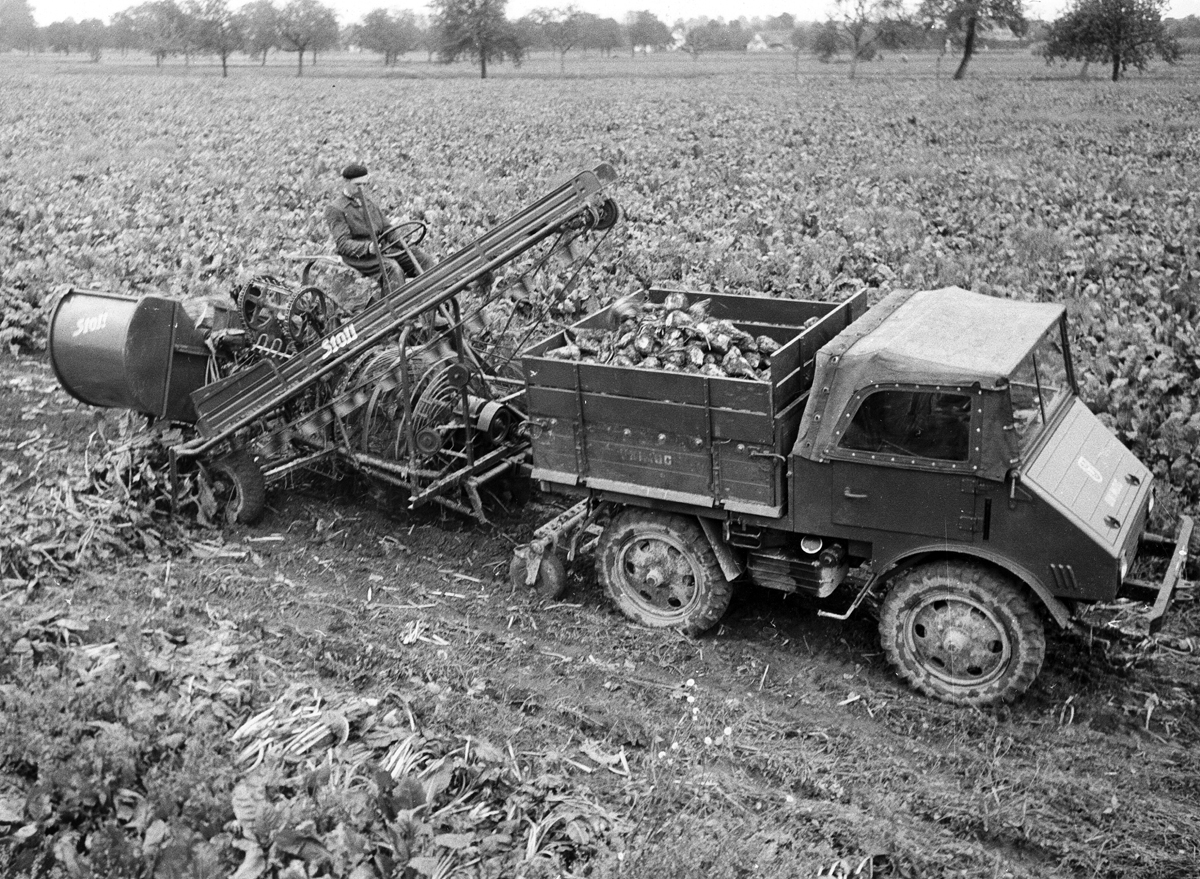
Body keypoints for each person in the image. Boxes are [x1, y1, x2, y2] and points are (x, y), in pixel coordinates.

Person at [325, 163, 423, 301]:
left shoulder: (369, 203)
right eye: (357, 184)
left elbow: (387, 229)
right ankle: (398, 312)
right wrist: (367, 248)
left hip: (382, 250)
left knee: (421, 258)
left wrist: (403, 242)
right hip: (359, 258)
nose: (362, 188)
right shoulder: (336, 209)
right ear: (346, 182)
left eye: (364, 184)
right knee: (392, 268)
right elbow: (343, 243)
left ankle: (433, 305)